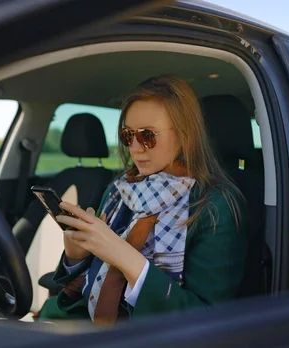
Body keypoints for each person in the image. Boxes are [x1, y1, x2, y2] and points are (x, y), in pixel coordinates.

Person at [37, 75, 248, 325]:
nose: (135, 148)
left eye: (148, 136)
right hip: (88, 325)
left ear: (185, 134)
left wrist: (126, 258)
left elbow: (207, 320)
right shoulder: (119, 190)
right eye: (128, 136)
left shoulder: (215, 204)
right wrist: (77, 257)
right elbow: (92, 286)